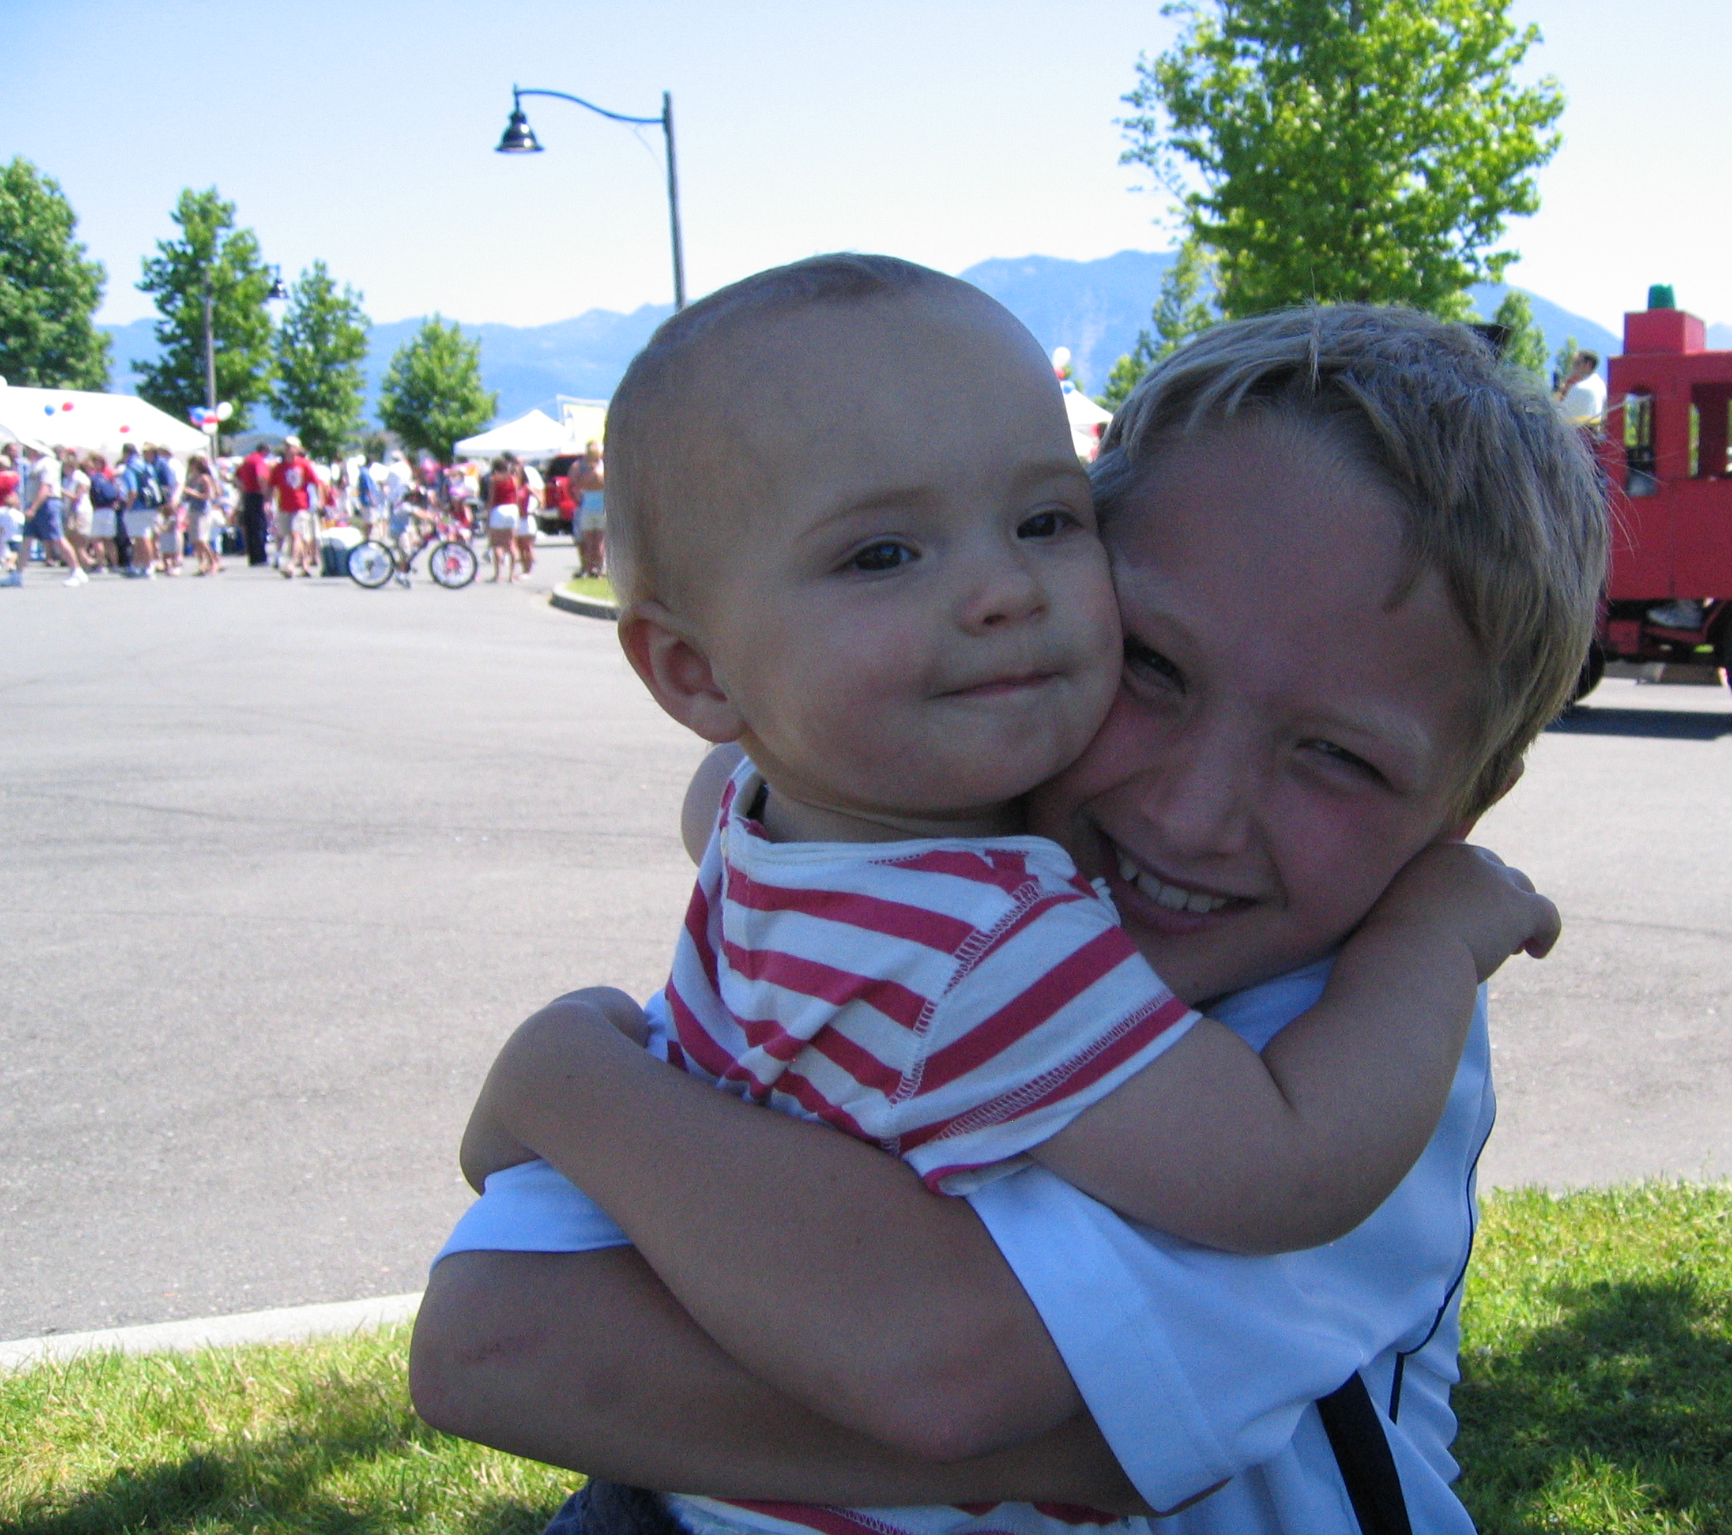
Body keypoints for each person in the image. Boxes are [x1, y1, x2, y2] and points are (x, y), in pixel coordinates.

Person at [413, 294, 1608, 1535]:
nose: (1194, 814)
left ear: (1468, 804)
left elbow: (928, 1367)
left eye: (1338, 759)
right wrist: (562, 1077)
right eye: (1151, 666)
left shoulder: (1356, 1046)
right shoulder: (936, 885)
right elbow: (482, 1345)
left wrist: (567, 1081)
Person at [1, 442, 86, 586]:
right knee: (26, 540)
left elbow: (45, 488)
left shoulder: (48, 464)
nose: (26, 451)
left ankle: (77, 571)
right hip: (36, 504)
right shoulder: (35, 464)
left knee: (57, 538)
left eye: (29, 449)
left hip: (46, 504)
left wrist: (33, 508)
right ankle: (17, 575)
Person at [271, 437, 323, 577]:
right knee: (290, 535)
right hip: (284, 505)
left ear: (298, 449)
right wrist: (267, 501)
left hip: (300, 505)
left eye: (291, 446)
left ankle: (291, 564)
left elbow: (317, 483)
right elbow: (272, 486)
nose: (288, 448)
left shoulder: (304, 465)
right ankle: (304, 564)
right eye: (286, 446)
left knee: (296, 534)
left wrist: (320, 501)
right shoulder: (278, 467)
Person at [118, 443, 159, 577]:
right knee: (145, 536)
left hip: (137, 507)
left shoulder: (130, 468)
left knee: (142, 537)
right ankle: (140, 564)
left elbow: (132, 491)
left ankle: (148, 565)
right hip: (150, 505)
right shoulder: (146, 466)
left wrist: (128, 507)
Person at [570, 438, 606, 578]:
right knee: (599, 542)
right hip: (601, 508)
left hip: (588, 508)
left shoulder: (583, 470)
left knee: (590, 542)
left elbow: (578, 484)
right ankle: (597, 569)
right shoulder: (603, 468)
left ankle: (589, 568)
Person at [183, 453, 223, 575]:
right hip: (193, 510)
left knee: (202, 539)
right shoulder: (191, 478)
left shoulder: (204, 478)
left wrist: (192, 492)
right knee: (195, 540)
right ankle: (202, 564)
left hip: (203, 511)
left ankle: (213, 561)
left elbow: (208, 496)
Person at [83, 452, 122, 572]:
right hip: (110, 509)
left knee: (97, 539)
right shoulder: (107, 476)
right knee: (109, 540)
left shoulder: (91, 477)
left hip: (98, 510)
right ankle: (115, 565)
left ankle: (101, 565)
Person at [485, 453, 520, 582]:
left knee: (497, 544)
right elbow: (516, 497)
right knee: (511, 543)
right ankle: (512, 575)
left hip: (498, 509)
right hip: (512, 509)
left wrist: (488, 516)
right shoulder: (514, 479)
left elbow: (491, 498)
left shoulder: (494, 479)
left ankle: (498, 575)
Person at [149, 444, 184, 574]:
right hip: (162, 501)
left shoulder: (174, 464)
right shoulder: (159, 464)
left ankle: (176, 560)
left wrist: (174, 499)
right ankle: (165, 560)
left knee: (172, 530)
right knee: (161, 530)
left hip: (171, 500)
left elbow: (179, 484)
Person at [235, 441, 271, 565]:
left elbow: (236, 477)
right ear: (264, 451)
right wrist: (266, 495)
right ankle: (261, 557)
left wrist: (243, 487)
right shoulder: (259, 461)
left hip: (247, 495)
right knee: (259, 527)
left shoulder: (247, 460)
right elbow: (261, 477)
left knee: (250, 527)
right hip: (257, 495)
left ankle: (253, 557)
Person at [1553, 349, 1604, 426]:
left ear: (1588, 365)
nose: (1573, 366)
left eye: (1577, 363)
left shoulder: (1580, 388)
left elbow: (1555, 414)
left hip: (1575, 435)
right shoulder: (1600, 385)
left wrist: (1561, 390)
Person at [516, 458, 544, 576]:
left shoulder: (526, 487)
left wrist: (534, 508)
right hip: (516, 519)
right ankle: (524, 569)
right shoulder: (513, 487)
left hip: (526, 519)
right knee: (519, 547)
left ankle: (528, 570)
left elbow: (540, 498)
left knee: (526, 546)